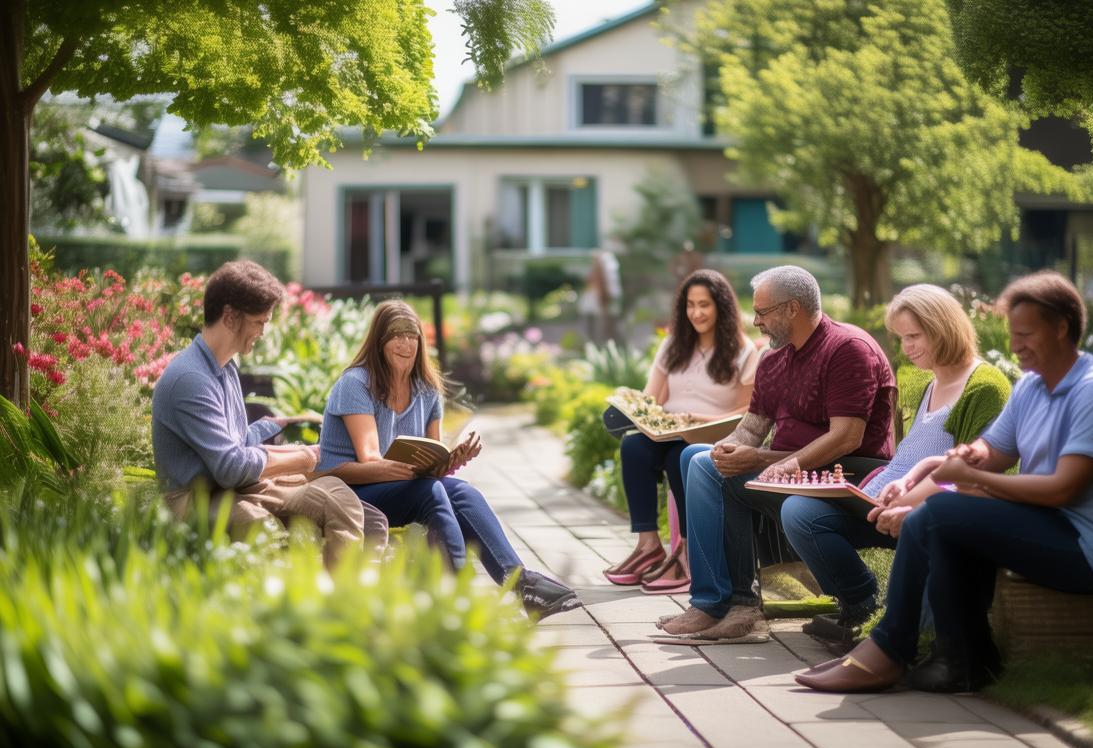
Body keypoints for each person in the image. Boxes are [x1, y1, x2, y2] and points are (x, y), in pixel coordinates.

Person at [797, 272, 1093, 693]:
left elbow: (1062, 489)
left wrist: (970, 479)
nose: (1015, 345)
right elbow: (989, 450)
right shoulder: (1034, 386)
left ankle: (890, 650)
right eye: (1013, 334)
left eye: (1026, 334)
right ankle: (962, 660)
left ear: (1061, 328)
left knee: (940, 513)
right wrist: (932, 467)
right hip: (1060, 525)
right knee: (941, 516)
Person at [658, 265, 897, 641]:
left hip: (848, 477)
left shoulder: (847, 348)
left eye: (762, 312)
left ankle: (724, 605)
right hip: (788, 472)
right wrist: (728, 449)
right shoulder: (773, 359)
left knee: (704, 467)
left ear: (792, 308)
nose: (755, 321)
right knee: (698, 458)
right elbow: (752, 429)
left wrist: (766, 461)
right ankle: (727, 604)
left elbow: (846, 438)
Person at [317, 300, 581, 619]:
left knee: (463, 492)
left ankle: (522, 584)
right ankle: (458, 597)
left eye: (412, 336)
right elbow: (370, 459)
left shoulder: (427, 389)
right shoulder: (356, 384)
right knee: (431, 491)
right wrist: (421, 472)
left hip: (403, 485)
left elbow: (432, 454)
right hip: (351, 489)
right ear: (379, 342)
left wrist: (451, 459)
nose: (405, 343)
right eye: (396, 336)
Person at [780, 285, 1011, 643]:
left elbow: (974, 474)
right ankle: (860, 603)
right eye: (902, 338)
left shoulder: (984, 387)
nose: (907, 348)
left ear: (943, 328)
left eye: (914, 336)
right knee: (799, 511)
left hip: (927, 507)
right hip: (884, 498)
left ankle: (897, 632)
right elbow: (910, 456)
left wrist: (910, 498)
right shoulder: (926, 382)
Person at [152, 261, 367, 569]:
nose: (263, 332)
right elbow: (230, 466)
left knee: (338, 497)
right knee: (261, 527)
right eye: (259, 322)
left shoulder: (224, 367)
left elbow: (238, 442)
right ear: (230, 316)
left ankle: (343, 588)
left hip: (232, 486)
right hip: (194, 497)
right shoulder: (190, 379)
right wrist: (303, 459)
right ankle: (282, 593)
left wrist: (294, 444)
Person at [603, 269, 759, 592]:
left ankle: (687, 553)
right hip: (668, 429)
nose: (696, 313)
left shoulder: (743, 351)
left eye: (704, 305)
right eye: (690, 305)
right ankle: (648, 545)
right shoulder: (674, 345)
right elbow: (652, 398)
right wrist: (634, 408)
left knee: (681, 457)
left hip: (711, 433)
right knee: (633, 446)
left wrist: (698, 419)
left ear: (721, 306)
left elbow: (747, 410)